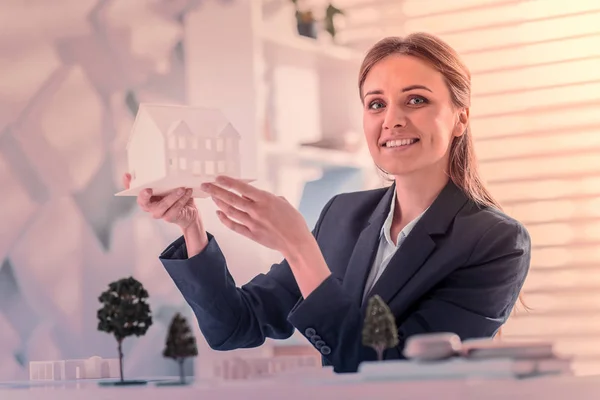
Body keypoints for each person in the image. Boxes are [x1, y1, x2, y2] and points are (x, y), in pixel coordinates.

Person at [123, 32, 531, 374]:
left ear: (461, 118)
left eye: (416, 100)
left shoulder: (495, 242)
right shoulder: (343, 215)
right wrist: (190, 225)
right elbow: (236, 325)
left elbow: (387, 367)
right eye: (376, 104)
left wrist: (299, 248)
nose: (392, 119)